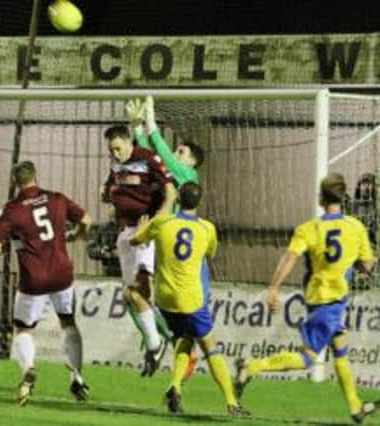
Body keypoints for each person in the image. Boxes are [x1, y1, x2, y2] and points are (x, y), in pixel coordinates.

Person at [234, 173, 378, 424]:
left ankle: (355, 407)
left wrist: (274, 287)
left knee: (340, 349)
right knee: (308, 358)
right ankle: (252, 366)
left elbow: (290, 257)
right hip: (331, 302)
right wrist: (357, 261)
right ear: (344, 198)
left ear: (321, 199)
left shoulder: (309, 228)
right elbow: (368, 265)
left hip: (318, 297)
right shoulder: (355, 227)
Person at [130, 182, 249, 417]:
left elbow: (135, 241)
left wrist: (139, 229)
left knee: (185, 339)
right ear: (199, 202)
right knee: (210, 348)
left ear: (178, 200)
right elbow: (209, 253)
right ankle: (232, 403)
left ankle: (175, 387)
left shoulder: (162, 222)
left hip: (165, 299)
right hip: (192, 299)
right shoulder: (207, 229)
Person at [0, 161, 92, 406]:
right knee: (68, 323)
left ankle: (28, 370)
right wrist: (74, 236)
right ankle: (77, 377)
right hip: (62, 275)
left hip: (34, 279)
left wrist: (10, 244)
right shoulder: (56, 198)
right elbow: (86, 220)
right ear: (36, 177)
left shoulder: (12, 210)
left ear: (15, 182)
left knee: (23, 329)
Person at [101, 124, 176, 377]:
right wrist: (107, 191)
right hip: (125, 233)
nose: (115, 153)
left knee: (137, 291)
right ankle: (161, 341)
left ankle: (160, 343)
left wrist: (160, 218)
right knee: (129, 295)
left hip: (144, 231)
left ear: (128, 142)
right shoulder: (115, 162)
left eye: (118, 148)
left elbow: (170, 189)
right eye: (111, 149)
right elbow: (113, 184)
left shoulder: (146, 157)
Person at [126, 96, 205, 188]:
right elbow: (150, 157)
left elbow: (167, 157)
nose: (174, 153)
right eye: (176, 150)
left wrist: (150, 119)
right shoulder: (170, 173)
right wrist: (137, 127)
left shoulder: (189, 175)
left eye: (181, 152)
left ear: (192, 161)